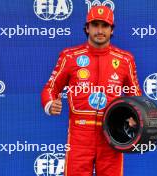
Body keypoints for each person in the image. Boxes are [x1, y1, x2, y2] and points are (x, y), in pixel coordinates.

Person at [41, 5, 142, 176]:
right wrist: (50, 104)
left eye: (105, 25)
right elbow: (51, 88)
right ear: (87, 28)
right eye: (95, 25)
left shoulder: (125, 59)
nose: (100, 30)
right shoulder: (70, 56)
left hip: (112, 134)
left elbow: (136, 97)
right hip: (79, 136)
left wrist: (136, 116)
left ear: (112, 30)